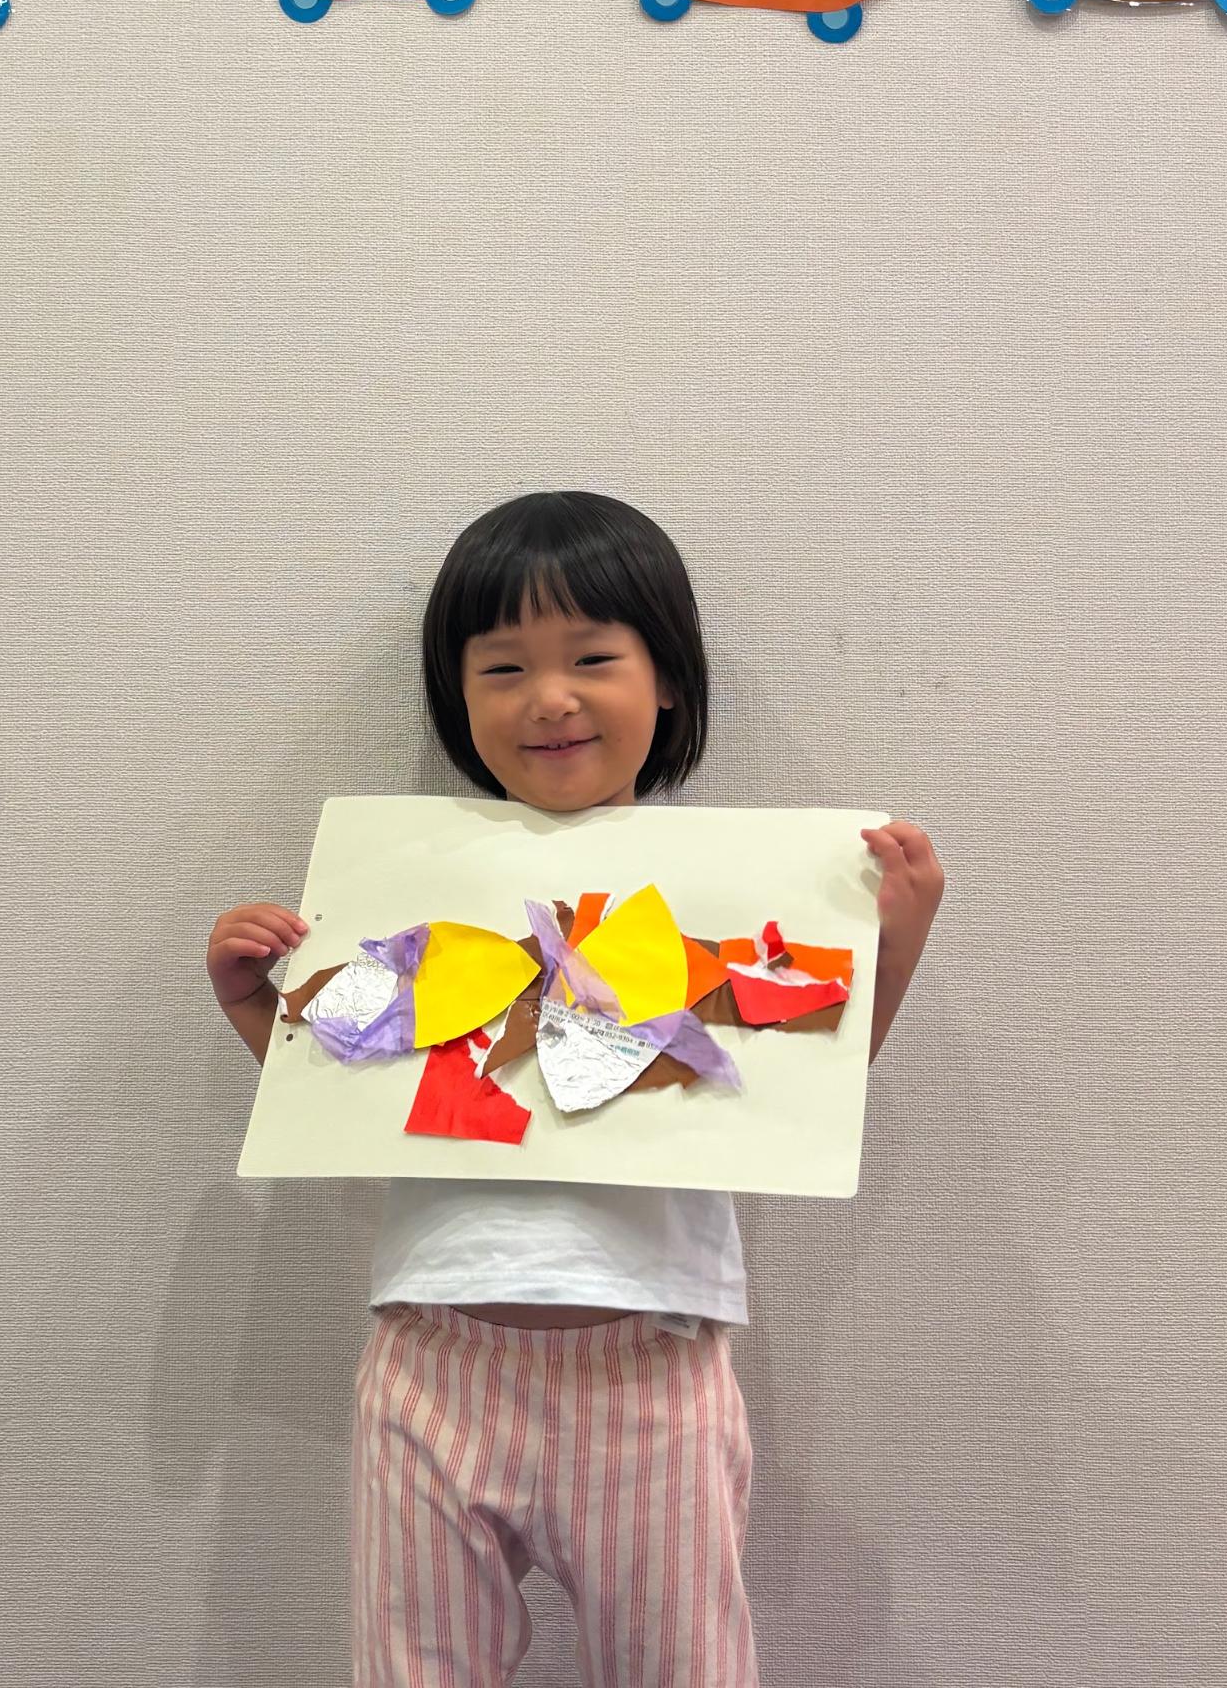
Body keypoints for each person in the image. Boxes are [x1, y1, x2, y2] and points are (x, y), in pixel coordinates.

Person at [206, 490, 945, 1687]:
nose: (548, 697)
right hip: (429, 1353)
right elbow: (356, 1088)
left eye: (593, 659)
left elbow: (797, 1089)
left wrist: (893, 943)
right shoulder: (419, 883)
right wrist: (255, 1004)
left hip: (653, 1361)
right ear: (458, 699)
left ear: (669, 682)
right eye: (502, 668)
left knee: (681, 1668)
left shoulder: (724, 894)